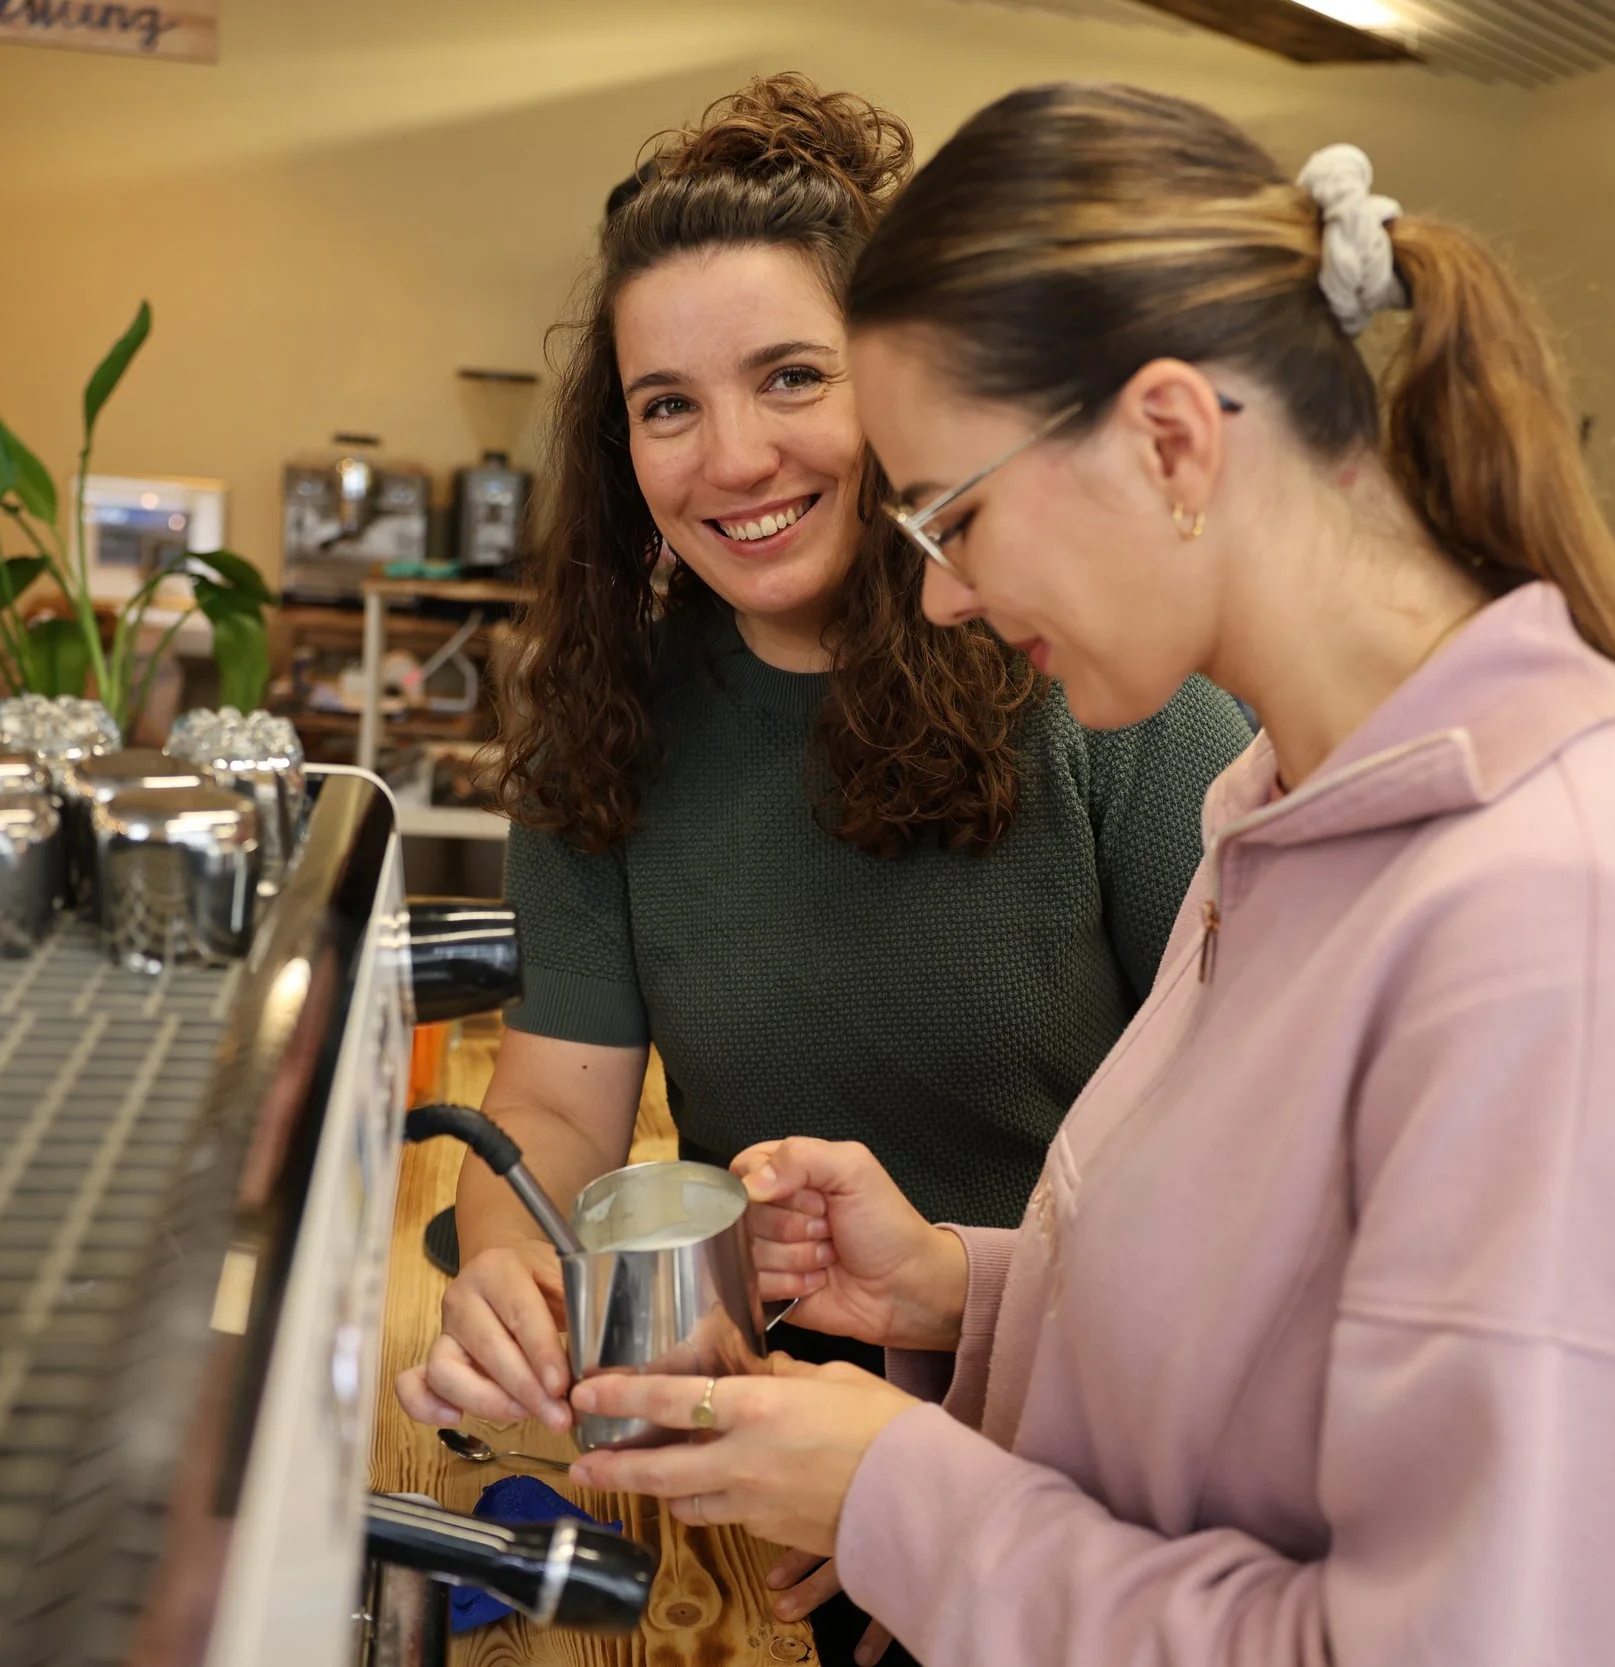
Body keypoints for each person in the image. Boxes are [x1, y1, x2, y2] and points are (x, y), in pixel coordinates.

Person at [558, 83, 1615, 1667]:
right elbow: (1267, 1344)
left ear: (1171, 441)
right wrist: (963, 1289)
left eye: (955, 514)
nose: (943, 599)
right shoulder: (1280, 803)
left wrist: (909, 1494)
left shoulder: (1562, 925)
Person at [392, 77, 1251, 1663]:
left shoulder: (1103, 680)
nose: (732, 458)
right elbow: (566, 1108)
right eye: (667, 405)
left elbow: (1239, 1189)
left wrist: (947, 1446)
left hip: (1090, 1467)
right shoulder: (607, 718)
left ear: (899, 396)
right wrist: (510, 1262)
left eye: (792, 378)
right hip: (783, 1465)